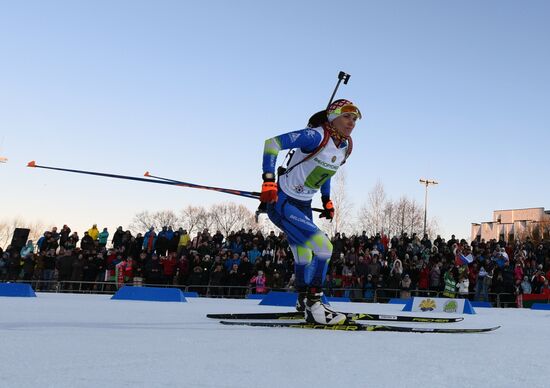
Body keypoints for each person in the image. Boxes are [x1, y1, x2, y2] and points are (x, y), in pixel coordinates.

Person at [259, 99, 362, 325]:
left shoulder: (346, 146)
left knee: (304, 255)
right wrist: (268, 181)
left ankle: (303, 299)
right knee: (324, 247)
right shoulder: (316, 136)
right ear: (333, 116)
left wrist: (326, 200)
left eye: (355, 119)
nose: (352, 122)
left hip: (304, 205)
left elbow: (327, 172)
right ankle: (315, 304)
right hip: (283, 202)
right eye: (347, 116)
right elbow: (272, 143)